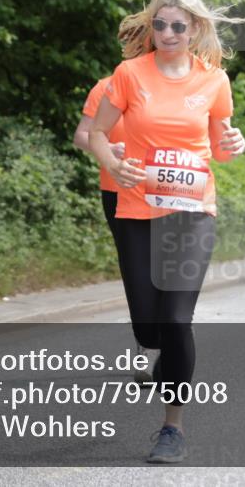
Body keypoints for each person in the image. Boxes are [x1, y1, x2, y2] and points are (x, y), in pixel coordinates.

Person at [88, 0, 245, 463]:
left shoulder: (214, 80)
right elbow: (96, 132)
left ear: (196, 28)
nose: (168, 32)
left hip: (192, 212)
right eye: (160, 24)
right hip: (136, 209)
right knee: (150, 326)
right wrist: (113, 163)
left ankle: (171, 428)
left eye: (179, 25)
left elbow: (219, 146)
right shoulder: (128, 74)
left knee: (177, 321)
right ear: (150, 25)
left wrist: (233, 145)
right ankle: (164, 360)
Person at [75, 76, 160, 384]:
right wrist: (110, 150)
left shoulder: (175, 82)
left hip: (165, 190)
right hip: (118, 190)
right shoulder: (106, 87)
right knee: (137, 270)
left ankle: (167, 339)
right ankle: (146, 346)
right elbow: (82, 135)